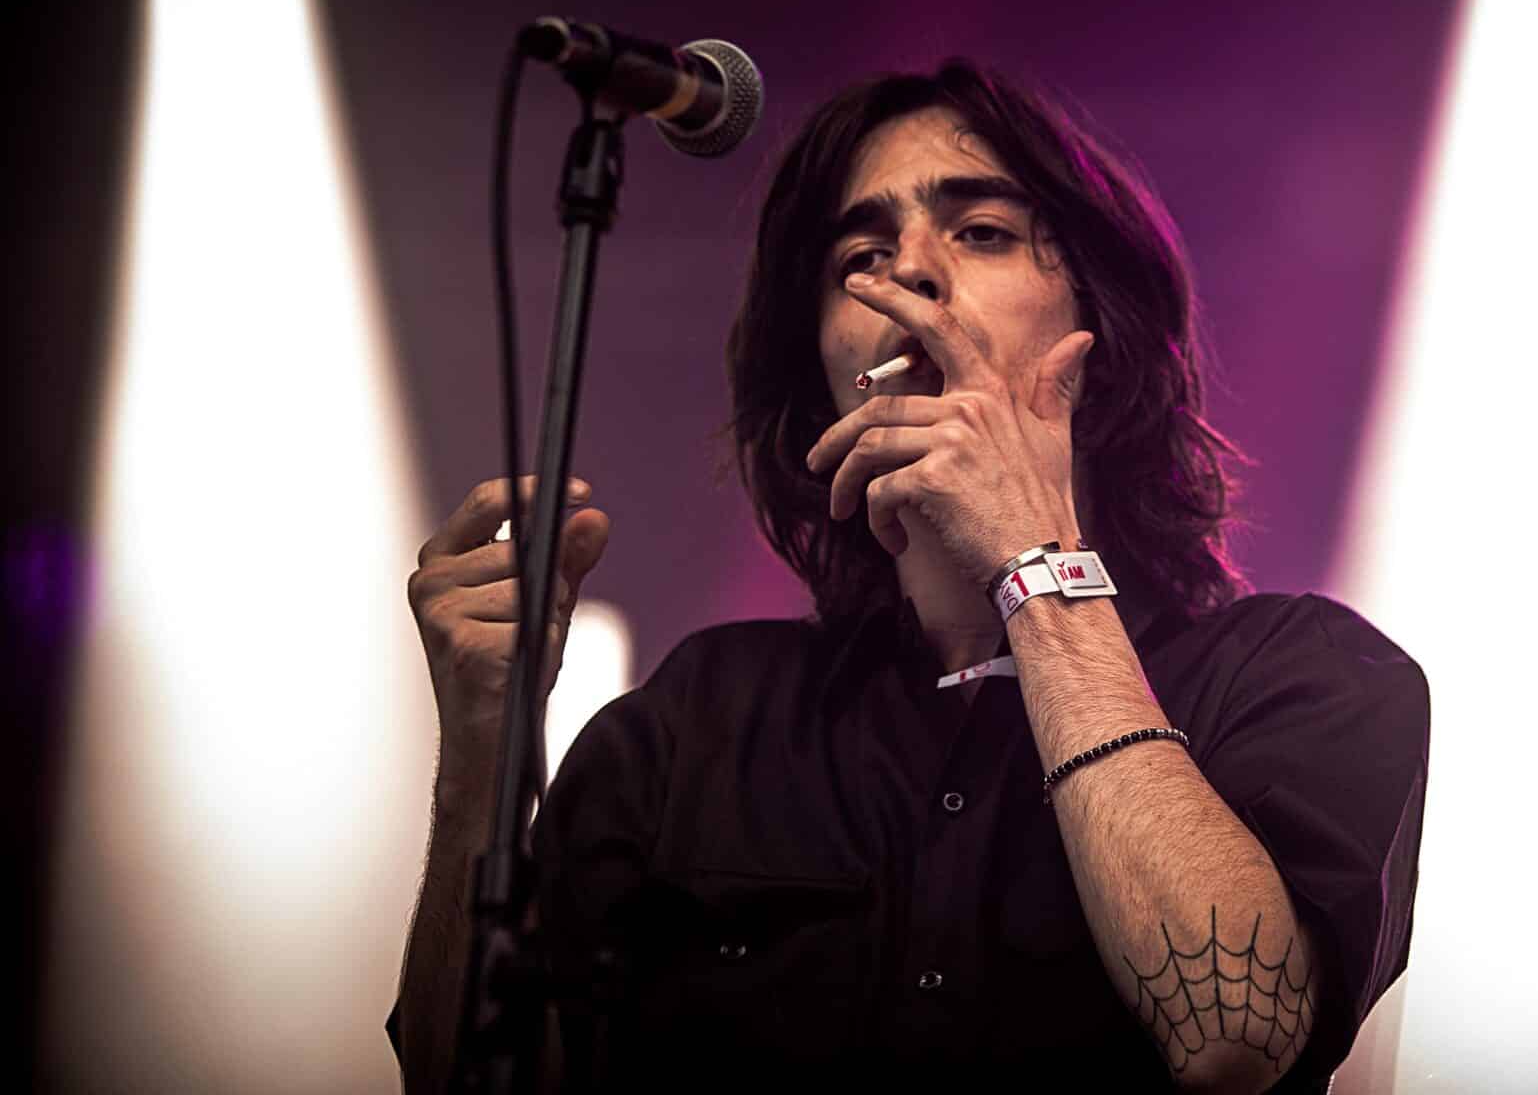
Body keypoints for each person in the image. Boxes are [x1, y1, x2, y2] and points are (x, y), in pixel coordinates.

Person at [390, 61, 1429, 1093]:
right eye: (863, 254)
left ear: (1099, 331)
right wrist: (481, 758)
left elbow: (1236, 1036)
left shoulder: (1300, 674)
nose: (912, 273)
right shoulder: (695, 717)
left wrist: (1033, 559)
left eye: (981, 231)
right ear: (822, 372)